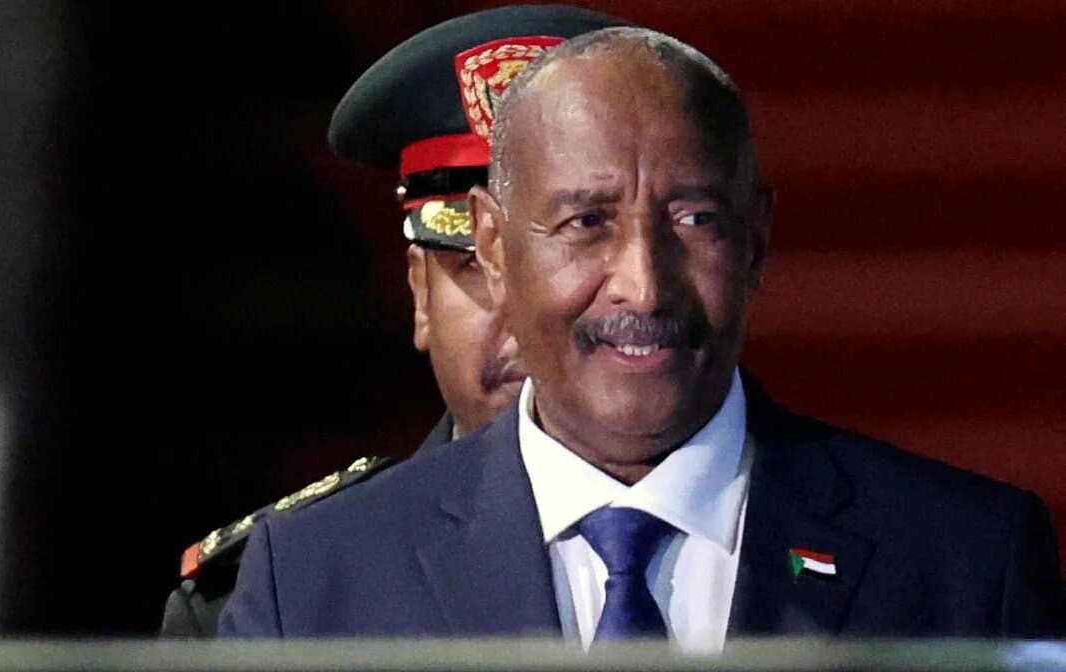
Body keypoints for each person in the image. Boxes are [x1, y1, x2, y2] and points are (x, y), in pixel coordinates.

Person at [216, 26, 1065, 647]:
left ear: (757, 241)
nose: (643, 286)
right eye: (585, 222)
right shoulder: (318, 578)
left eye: (693, 219)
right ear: (493, 249)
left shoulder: (963, 559)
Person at [159, 4, 629, 637]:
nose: (523, 314)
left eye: (569, 253)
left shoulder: (774, 512)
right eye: (474, 265)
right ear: (420, 296)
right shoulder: (285, 600)